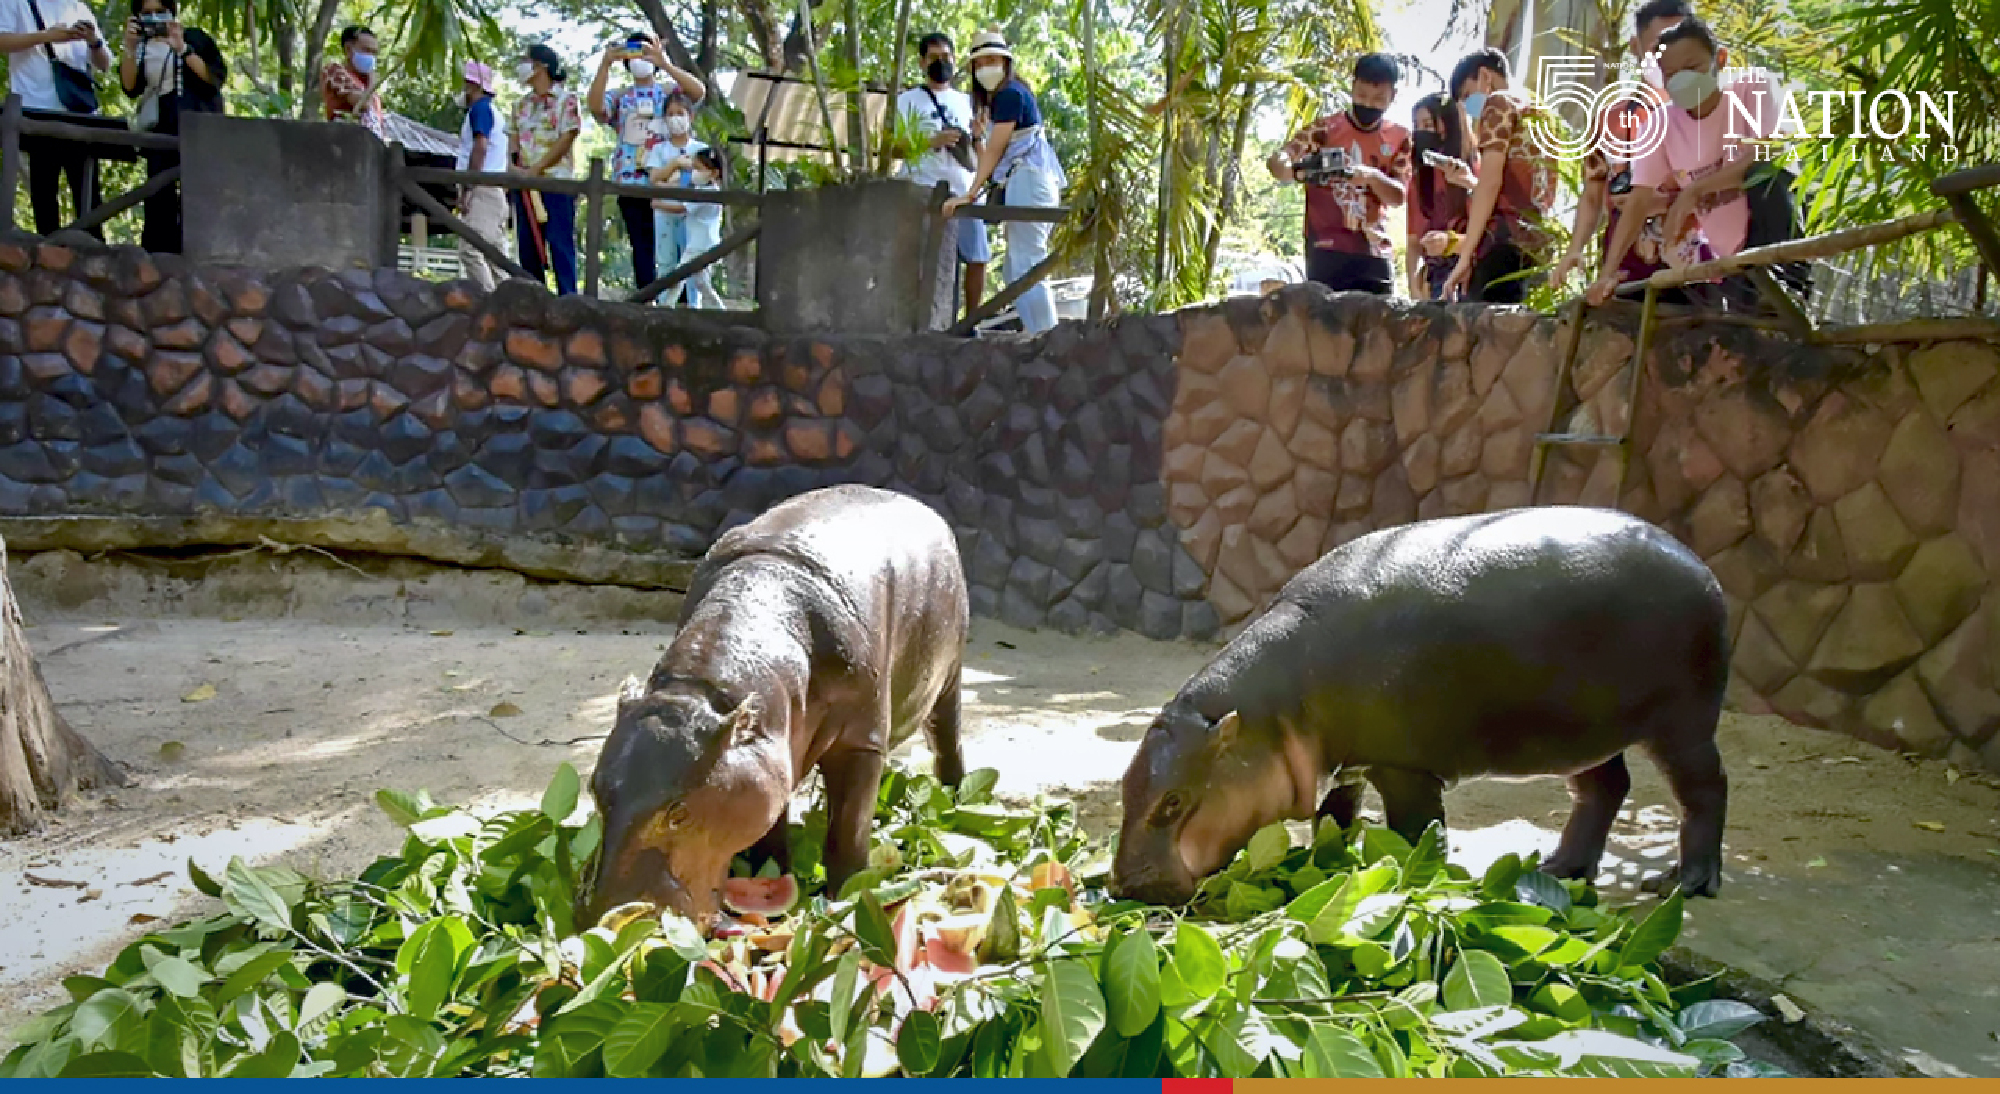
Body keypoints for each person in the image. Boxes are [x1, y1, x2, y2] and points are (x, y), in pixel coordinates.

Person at [1586, 17, 1807, 309]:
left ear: (1721, 59)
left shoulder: (1752, 88)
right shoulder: (1660, 123)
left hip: (1775, 245)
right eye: (1671, 74)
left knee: (1769, 170)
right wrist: (1607, 273)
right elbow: (1638, 201)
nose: (1682, 81)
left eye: (1692, 68)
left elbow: (1771, 151)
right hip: (1731, 261)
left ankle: (1786, 281)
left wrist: (1694, 191)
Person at [1550, 0, 1708, 300]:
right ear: (1636, 47)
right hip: (1622, 276)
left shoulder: (1709, 115)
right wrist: (1574, 250)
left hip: (1692, 276)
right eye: (1659, 48)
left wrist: (1665, 202)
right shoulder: (1611, 118)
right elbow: (1593, 192)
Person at [944, 29, 1067, 335]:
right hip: (1024, 180)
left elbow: (997, 150)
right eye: (980, 62)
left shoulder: (1011, 93)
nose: (986, 66)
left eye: (992, 60)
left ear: (1005, 62)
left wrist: (970, 194)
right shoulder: (1004, 98)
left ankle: (1046, 339)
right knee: (1016, 268)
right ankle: (1037, 334)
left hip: (1029, 180)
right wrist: (977, 138)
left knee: (1027, 263)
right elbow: (994, 155)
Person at [1268, 53, 1412, 296]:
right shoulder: (1324, 128)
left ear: (1393, 97)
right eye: (1362, 95)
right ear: (1353, 86)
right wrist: (1287, 167)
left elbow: (1398, 196)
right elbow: (1281, 159)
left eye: (1378, 99)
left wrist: (1370, 177)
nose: (1368, 104)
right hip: (1325, 250)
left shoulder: (1400, 138)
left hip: (1374, 253)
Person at [588, 29, 706, 291]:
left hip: (669, 179)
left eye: (645, 51)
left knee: (676, 242)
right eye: (635, 52)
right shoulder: (619, 96)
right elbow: (596, 107)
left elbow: (698, 92)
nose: (640, 57)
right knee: (642, 245)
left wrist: (664, 62)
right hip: (630, 180)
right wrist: (606, 63)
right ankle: (646, 299)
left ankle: (681, 300)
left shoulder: (669, 91)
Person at [1440, 48, 1559, 304]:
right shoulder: (1540, 112)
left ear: (1485, 76)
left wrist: (1466, 255)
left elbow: (1491, 182)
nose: (1471, 107)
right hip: (1537, 244)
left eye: (1468, 95)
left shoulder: (1498, 103)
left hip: (1503, 242)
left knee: (1485, 335)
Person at [897, 31, 991, 329]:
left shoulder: (967, 102)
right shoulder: (906, 101)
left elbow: (982, 153)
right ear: (922, 62)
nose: (942, 63)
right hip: (922, 191)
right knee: (925, 261)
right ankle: (921, 323)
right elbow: (892, 147)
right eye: (935, 58)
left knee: (977, 257)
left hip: (962, 191)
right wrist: (931, 141)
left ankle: (970, 323)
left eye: (947, 57)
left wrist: (975, 137)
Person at [117, 0, 223, 254]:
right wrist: (130, 48)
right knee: (158, 190)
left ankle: (198, 251)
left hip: (196, 123)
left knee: (197, 191)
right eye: (147, 14)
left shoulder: (195, 38)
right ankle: (159, 255)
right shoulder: (142, 48)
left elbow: (214, 79)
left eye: (159, 12)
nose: (154, 18)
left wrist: (183, 49)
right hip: (159, 125)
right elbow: (130, 87)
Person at [0, 0, 111, 237]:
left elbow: (105, 64)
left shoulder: (78, 7)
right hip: (37, 112)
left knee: (88, 197)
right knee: (45, 195)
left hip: (80, 113)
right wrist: (46, 36)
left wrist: (93, 40)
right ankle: (46, 255)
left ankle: (96, 257)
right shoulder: (15, 3)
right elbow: (2, 40)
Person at [511, 43, 581, 295]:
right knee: (528, 247)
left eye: (526, 60)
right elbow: (514, 140)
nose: (521, 65)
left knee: (560, 244)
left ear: (541, 66)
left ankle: (569, 302)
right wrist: (514, 167)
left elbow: (567, 138)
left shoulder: (567, 100)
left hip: (557, 182)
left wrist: (538, 168)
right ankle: (533, 300)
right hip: (525, 184)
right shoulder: (520, 105)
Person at [1406, 90, 1476, 300]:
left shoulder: (1476, 169)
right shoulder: (1420, 180)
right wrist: (1413, 286)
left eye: (1428, 125)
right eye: (1417, 126)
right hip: (1437, 278)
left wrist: (1451, 242)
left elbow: (1489, 232)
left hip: (1471, 273)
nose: (1421, 132)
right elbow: (1413, 242)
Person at [644, 92, 707, 303]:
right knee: (666, 261)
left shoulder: (701, 150)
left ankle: (694, 307)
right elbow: (654, 178)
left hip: (693, 215)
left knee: (693, 262)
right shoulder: (659, 150)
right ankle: (664, 306)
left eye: (680, 113)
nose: (675, 118)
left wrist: (670, 180)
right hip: (664, 212)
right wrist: (674, 165)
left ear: (691, 116)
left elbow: (705, 179)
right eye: (670, 114)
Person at [454, 60, 511, 291]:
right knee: (495, 258)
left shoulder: (480, 109)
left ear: (472, 85)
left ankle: (490, 304)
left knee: (470, 250)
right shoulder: (493, 112)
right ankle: (511, 307)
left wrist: (468, 187)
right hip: (494, 190)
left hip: (482, 189)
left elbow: (481, 146)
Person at [678, 146, 726, 308]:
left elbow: (682, 208)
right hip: (702, 243)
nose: (694, 172)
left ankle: (668, 305)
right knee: (701, 283)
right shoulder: (704, 190)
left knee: (679, 275)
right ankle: (721, 310)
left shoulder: (709, 193)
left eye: (698, 169)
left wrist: (657, 204)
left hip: (700, 245)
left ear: (714, 173)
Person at [320, 25, 385, 133]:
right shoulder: (334, 71)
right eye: (366, 50)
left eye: (374, 53)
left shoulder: (366, 84)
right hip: (345, 141)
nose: (371, 57)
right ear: (348, 49)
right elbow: (362, 103)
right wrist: (373, 82)